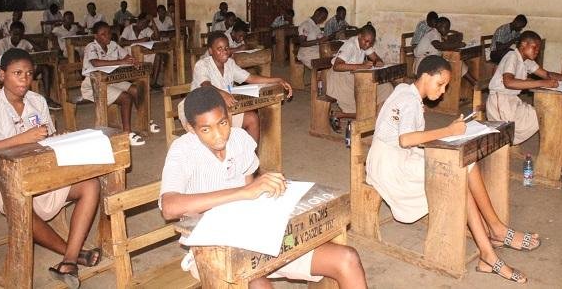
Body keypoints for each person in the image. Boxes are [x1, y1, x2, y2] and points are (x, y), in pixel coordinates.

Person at [160, 86, 367, 288]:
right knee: (258, 283)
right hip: (213, 249)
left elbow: (252, 197)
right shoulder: (183, 150)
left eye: (222, 123)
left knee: (347, 259)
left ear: (229, 115)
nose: (219, 135)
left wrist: (265, 192)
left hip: (256, 234)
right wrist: (242, 193)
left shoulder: (240, 139)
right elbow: (169, 207)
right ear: (191, 129)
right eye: (206, 129)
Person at [366, 55, 540, 284]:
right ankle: (495, 235)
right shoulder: (409, 99)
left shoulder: (407, 93)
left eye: (446, 86)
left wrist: (448, 131)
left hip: (393, 158)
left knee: (461, 165)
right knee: (460, 167)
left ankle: (489, 249)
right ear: (425, 76)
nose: (443, 91)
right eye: (440, 84)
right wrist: (448, 131)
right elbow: (406, 139)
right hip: (391, 168)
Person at [0, 48, 101, 289]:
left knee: (90, 184)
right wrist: (22, 138)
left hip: (37, 170)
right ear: (1, 74)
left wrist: (61, 138)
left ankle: (69, 260)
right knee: (19, 202)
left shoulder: (37, 101)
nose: (24, 79)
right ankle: (74, 251)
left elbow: (45, 139)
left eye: (29, 74)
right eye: (17, 73)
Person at [189, 31, 292, 142]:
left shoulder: (230, 64)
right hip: (201, 110)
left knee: (252, 119)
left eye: (227, 48)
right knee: (221, 132)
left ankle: (251, 156)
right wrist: (223, 94)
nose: (224, 51)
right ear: (210, 51)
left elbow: (251, 78)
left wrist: (278, 80)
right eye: (219, 49)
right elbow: (206, 86)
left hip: (224, 109)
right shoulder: (202, 65)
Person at [487, 31, 562, 156]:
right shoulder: (512, 56)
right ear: (523, 44)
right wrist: (542, 83)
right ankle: (507, 144)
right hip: (500, 101)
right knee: (527, 123)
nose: (537, 51)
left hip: (512, 100)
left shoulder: (526, 61)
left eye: (538, 49)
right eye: (534, 47)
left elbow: (546, 74)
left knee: (539, 115)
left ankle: (510, 143)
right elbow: (509, 82)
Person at [82, 21, 158, 146]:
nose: (107, 36)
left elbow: (126, 57)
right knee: (126, 98)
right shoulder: (91, 47)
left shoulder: (113, 45)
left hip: (111, 81)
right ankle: (127, 133)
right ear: (95, 36)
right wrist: (120, 61)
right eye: (103, 34)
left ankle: (145, 121)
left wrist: (133, 61)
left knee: (137, 90)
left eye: (109, 33)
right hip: (93, 85)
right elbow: (96, 63)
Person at [326, 23, 393, 131]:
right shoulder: (351, 45)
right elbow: (337, 66)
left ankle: (376, 120)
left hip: (356, 76)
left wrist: (378, 61)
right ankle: (338, 114)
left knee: (387, 87)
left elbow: (375, 58)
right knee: (361, 106)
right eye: (365, 41)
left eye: (370, 42)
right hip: (341, 78)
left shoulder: (365, 45)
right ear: (359, 36)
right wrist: (361, 66)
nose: (367, 44)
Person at [0, 21, 61, 110]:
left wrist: (28, 39)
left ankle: (47, 99)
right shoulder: (2, 43)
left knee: (45, 68)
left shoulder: (25, 42)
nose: (17, 37)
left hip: (25, 72)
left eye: (20, 35)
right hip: (9, 74)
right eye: (15, 34)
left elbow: (40, 51)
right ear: (10, 32)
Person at [120, 12, 165, 89]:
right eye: (143, 23)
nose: (144, 26)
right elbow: (122, 42)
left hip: (142, 52)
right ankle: (134, 81)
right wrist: (140, 41)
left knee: (158, 55)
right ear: (138, 21)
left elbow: (157, 38)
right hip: (129, 53)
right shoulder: (128, 28)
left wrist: (152, 21)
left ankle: (153, 82)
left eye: (146, 24)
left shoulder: (146, 29)